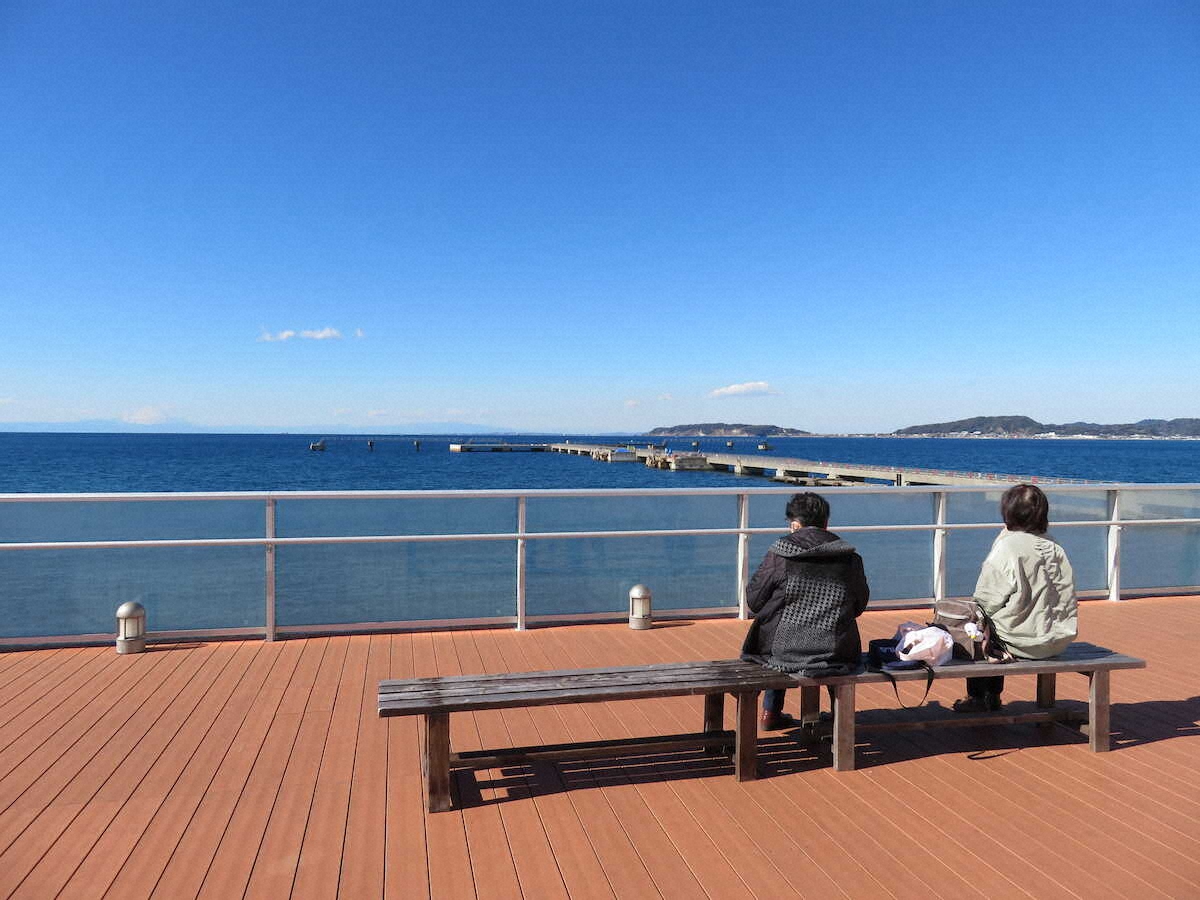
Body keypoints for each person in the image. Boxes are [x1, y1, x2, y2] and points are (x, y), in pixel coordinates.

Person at [740, 492, 871, 730]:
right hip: (835, 652)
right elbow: (859, 605)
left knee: (778, 635)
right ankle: (838, 714)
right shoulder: (849, 558)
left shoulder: (780, 554)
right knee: (834, 631)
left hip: (782, 652)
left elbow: (754, 600)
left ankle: (770, 712)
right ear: (826, 524)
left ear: (794, 525)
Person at [955, 483, 1078, 713]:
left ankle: (979, 696)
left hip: (1024, 643)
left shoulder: (1008, 546)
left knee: (978, 627)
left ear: (1008, 512)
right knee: (998, 623)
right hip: (1058, 638)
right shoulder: (1055, 546)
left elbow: (985, 600)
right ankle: (992, 696)